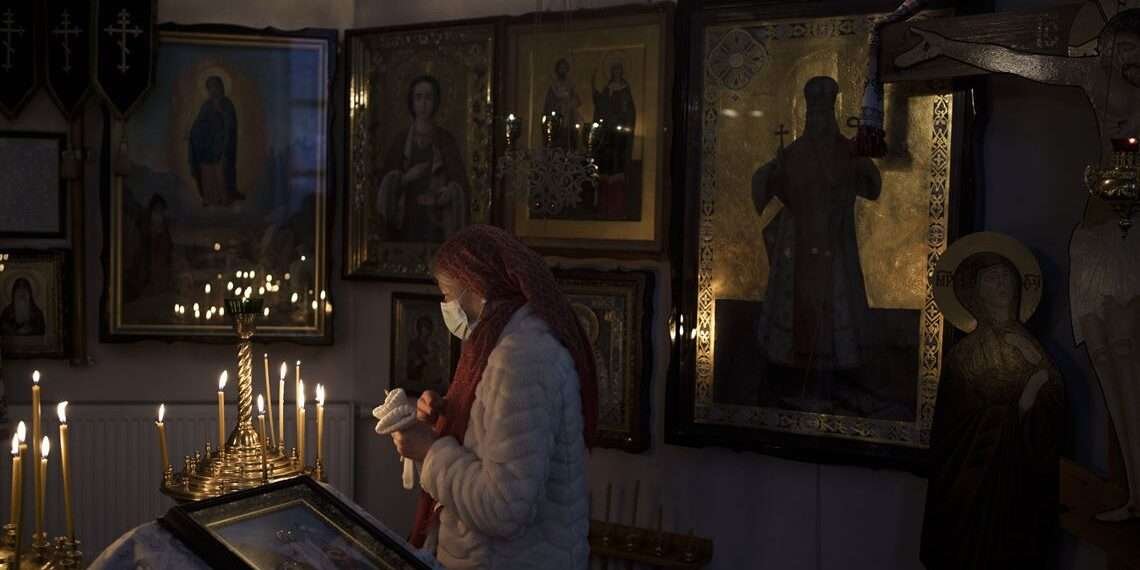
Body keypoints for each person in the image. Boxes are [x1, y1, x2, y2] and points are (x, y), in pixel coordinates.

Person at [387, 224, 597, 569]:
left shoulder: (521, 358)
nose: (445, 305)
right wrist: (446, 418)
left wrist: (429, 450)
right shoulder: (501, 342)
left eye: (446, 293)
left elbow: (504, 508)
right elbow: (491, 443)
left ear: (474, 285)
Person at [921, 252, 1063, 569]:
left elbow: (1053, 410)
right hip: (971, 482)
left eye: (1006, 276)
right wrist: (1025, 399)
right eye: (991, 278)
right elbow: (953, 429)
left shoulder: (1031, 346)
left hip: (1018, 483)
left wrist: (1038, 387)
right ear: (976, 292)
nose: (1001, 283)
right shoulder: (964, 354)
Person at [377, 75, 469, 243]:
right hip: (406, 219)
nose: (423, 104)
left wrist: (448, 192)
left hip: (436, 222)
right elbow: (384, 186)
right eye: (418, 97)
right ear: (411, 102)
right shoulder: (401, 140)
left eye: (428, 97)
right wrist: (406, 178)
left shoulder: (446, 140)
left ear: (436, 102)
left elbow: (460, 183)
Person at [189, 76, 241, 207]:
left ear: (221, 87)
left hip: (222, 145)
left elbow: (231, 126)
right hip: (207, 148)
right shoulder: (206, 106)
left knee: (222, 172)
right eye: (211, 87)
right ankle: (210, 200)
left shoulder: (227, 104)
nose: (214, 89)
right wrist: (193, 132)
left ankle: (225, 200)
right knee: (207, 172)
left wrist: (221, 114)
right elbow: (199, 124)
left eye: (216, 86)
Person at [542, 58, 583, 150]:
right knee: (557, 140)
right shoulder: (553, 86)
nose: (562, 70)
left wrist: (570, 103)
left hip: (569, 118)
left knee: (570, 141)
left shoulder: (570, 85)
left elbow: (578, 100)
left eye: (564, 68)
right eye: (561, 68)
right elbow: (548, 103)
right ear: (557, 70)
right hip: (557, 118)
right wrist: (558, 104)